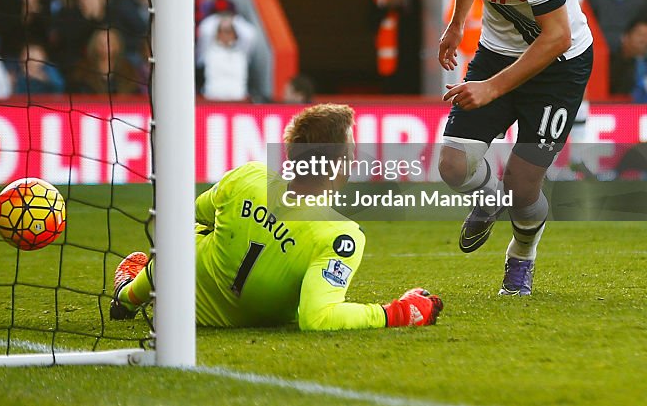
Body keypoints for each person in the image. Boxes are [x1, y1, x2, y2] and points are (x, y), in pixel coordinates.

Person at [110, 104, 444, 329]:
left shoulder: (248, 177)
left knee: (188, 232)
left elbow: (191, 215)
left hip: (184, 303)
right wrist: (397, 312)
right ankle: (133, 291)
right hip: (243, 321)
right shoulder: (342, 235)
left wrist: (252, 222)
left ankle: (128, 296)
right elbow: (318, 319)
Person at [435, 0, 593, 296]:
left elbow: (557, 35)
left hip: (560, 61)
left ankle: (521, 259)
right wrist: (455, 24)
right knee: (452, 165)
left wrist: (489, 89)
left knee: (522, 185)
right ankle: (487, 202)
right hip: (499, 50)